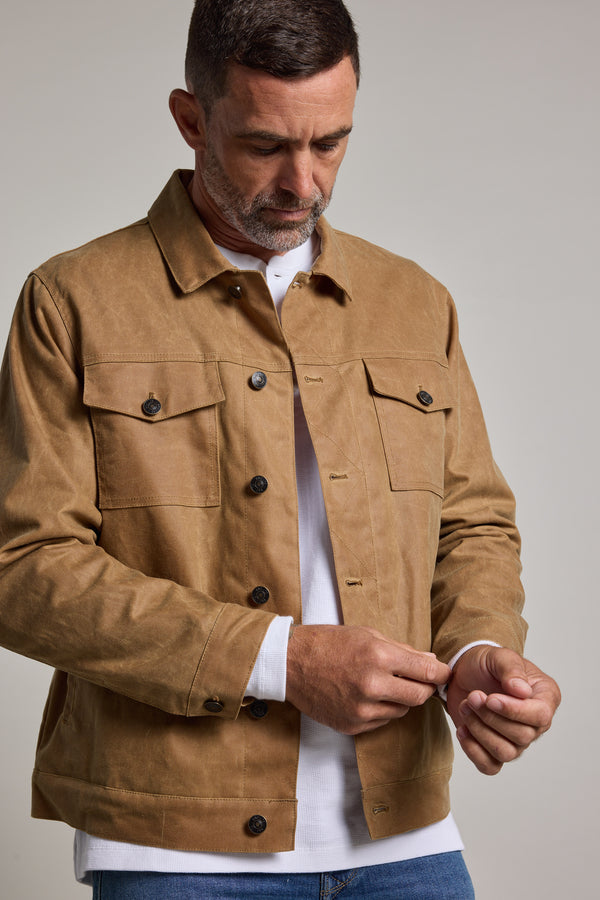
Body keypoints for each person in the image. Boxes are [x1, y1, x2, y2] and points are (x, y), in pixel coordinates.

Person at [0, 1, 560, 897]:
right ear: (191, 119)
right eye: (265, 145)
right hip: (176, 844)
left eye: (330, 143)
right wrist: (279, 660)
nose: (304, 182)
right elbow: (23, 568)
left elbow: (473, 523)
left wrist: (476, 651)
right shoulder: (74, 301)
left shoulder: (415, 302)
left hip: (401, 832)